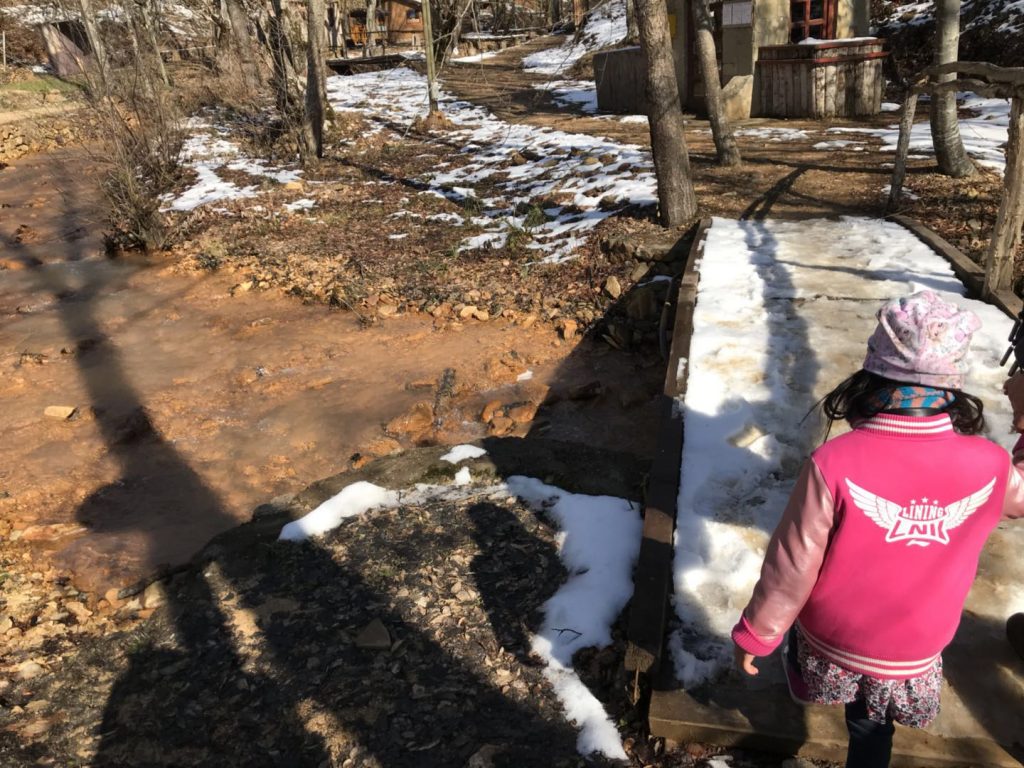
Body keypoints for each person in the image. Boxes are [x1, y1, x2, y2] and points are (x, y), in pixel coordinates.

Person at [730, 290, 1024, 768]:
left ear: (872, 375)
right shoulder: (990, 465)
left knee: (822, 662)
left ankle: (809, 676)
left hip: (837, 633)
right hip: (917, 640)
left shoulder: (835, 461)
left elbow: (793, 565)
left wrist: (758, 632)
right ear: (953, 383)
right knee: (871, 726)